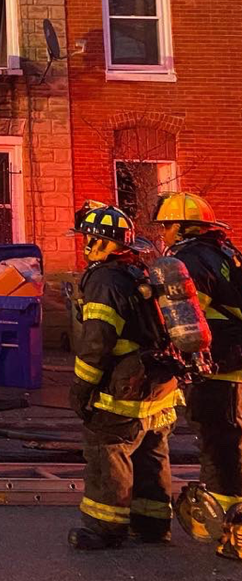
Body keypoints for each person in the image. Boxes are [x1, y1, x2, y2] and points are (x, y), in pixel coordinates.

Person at [68, 202, 183, 550]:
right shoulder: (140, 272)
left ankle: (105, 528)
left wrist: (81, 389)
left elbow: (96, 343)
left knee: (108, 450)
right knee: (150, 453)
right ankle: (152, 524)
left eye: (88, 238)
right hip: (160, 382)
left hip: (125, 387)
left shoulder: (104, 280)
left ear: (99, 242)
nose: (85, 245)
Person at [154, 192, 242, 559]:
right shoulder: (229, 254)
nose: (165, 234)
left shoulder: (184, 261)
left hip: (220, 372)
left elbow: (182, 324)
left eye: (167, 226)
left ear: (180, 227)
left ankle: (233, 535)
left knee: (220, 450)